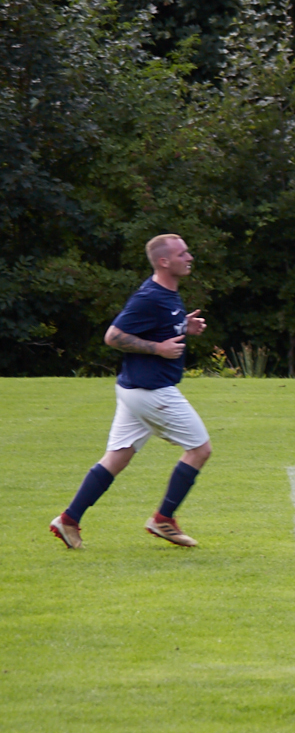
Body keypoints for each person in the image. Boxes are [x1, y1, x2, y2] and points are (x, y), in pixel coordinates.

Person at [49, 234, 214, 549]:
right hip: (152, 391)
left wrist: (183, 327)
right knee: (200, 449)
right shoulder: (149, 297)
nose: (189, 257)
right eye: (182, 253)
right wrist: (158, 348)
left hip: (134, 390)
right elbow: (113, 336)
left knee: (117, 457)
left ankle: (68, 520)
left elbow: (157, 326)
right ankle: (163, 519)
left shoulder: (167, 293)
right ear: (164, 261)